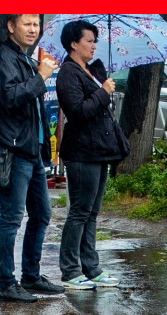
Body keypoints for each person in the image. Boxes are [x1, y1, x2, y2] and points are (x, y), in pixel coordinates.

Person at [0, 14, 63, 303]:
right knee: (12, 218)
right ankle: (6, 283)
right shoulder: (3, 58)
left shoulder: (24, 59)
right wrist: (40, 77)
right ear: (11, 26)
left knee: (41, 215)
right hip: (13, 149)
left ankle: (31, 275)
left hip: (31, 150)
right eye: (27, 23)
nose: (33, 29)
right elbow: (10, 98)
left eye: (36, 25)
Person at [55, 19, 127, 290]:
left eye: (95, 41)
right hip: (81, 151)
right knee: (80, 210)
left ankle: (91, 266)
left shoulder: (91, 70)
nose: (94, 45)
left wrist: (102, 82)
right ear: (74, 44)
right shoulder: (68, 73)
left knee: (92, 211)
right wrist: (102, 92)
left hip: (100, 150)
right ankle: (70, 269)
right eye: (89, 41)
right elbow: (79, 112)